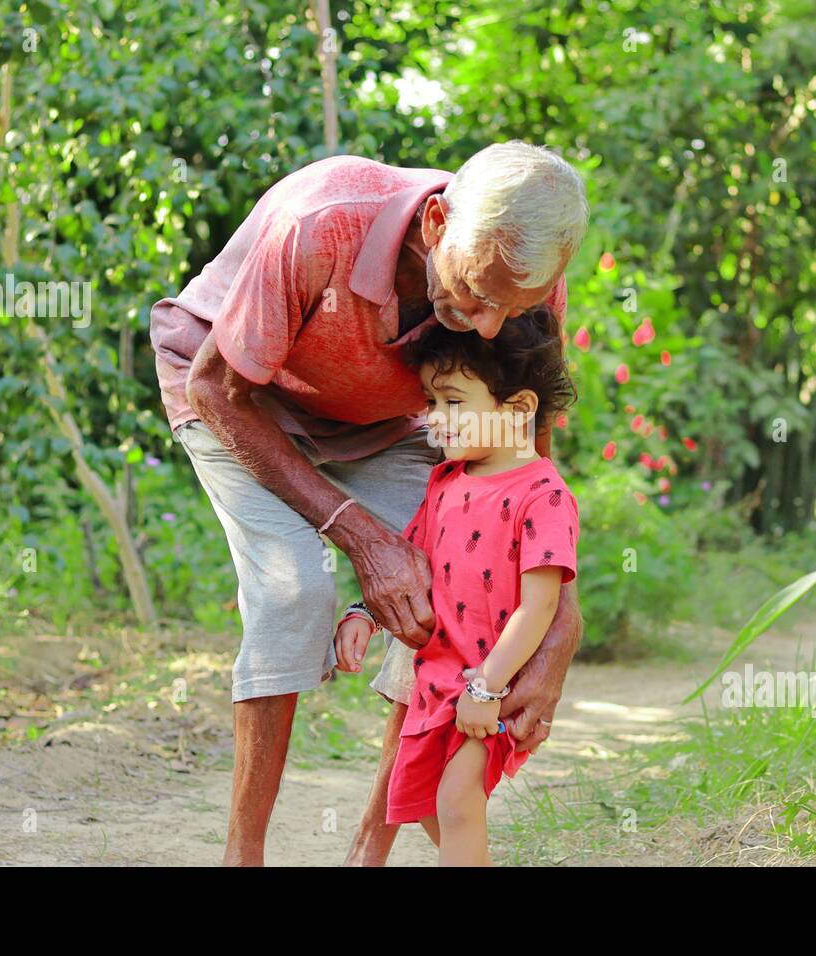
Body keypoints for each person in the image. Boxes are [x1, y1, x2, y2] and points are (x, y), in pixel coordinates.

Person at [148, 141, 589, 865]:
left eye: (510, 308)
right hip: (233, 393)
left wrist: (561, 628)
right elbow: (216, 386)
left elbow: (525, 474)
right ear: (437, 222)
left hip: (383, 421)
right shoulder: (321, 224)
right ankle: (242, 855)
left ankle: (366, 854)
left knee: (455, 575)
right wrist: (359, 536)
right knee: (293, 589)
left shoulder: (522, 281)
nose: (485, 326)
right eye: (475, 294)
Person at [334, 306, 578, 865]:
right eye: (430, 403)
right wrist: (363, 612)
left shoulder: (543, 494)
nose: (435, 421)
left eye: (454, 403)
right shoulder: (445, 481)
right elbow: (410, 564)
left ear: (517, 410)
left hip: (489, 685)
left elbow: (539, 606)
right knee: (420, 801)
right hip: (435, 683)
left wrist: (488, 688)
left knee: (457, 801)